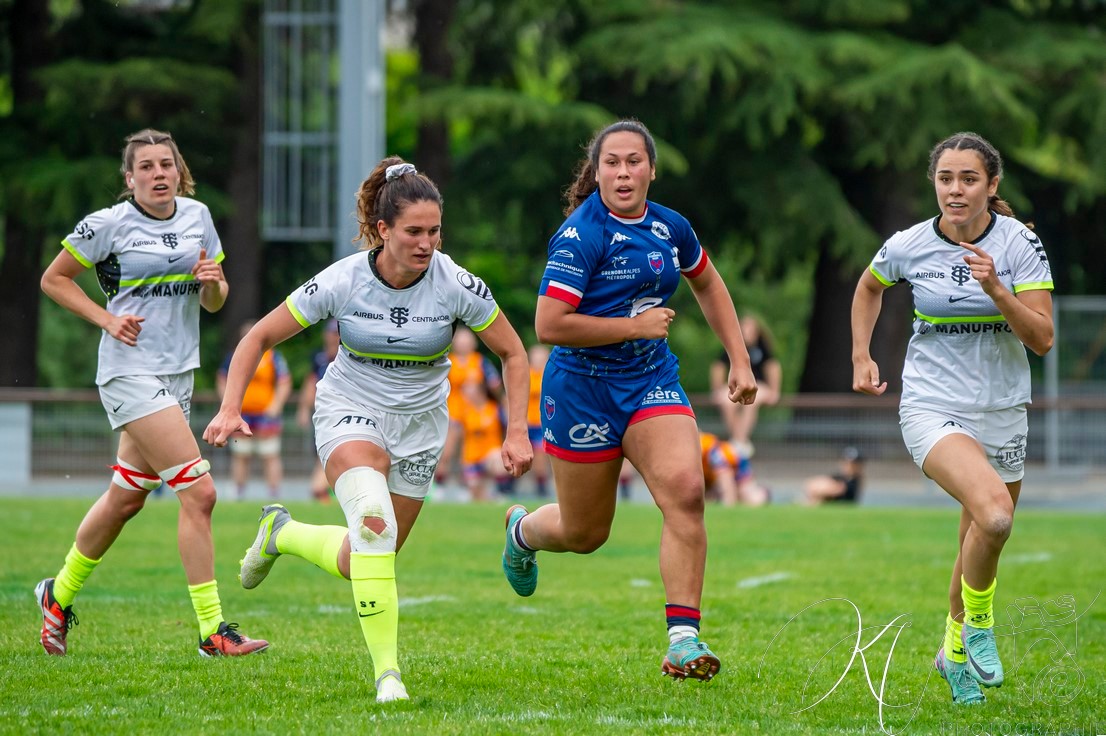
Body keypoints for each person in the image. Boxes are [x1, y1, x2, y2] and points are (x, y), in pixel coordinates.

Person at [203, 156, 532, 703]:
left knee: (364, 557)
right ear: (383, 230)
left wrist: (516, 431)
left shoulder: (457, 283)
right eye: (413, 232)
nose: (427, 243)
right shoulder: (344, 279)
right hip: (349, 408)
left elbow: (514, 353)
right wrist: (229, 407)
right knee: (374, 527)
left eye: (434, 231)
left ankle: (281, 534)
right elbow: (258, 336)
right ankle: (388, 676)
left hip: (421, 427)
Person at [500, 119, 757, 682]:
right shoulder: (580, 235)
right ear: (596, 173)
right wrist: (632, 327)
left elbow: (708, 283)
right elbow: (549, 324)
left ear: (651, 170)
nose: (623, 173)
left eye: (633, 162)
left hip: (649, 380)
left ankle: (683, 640)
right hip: (581, 390)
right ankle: (522, 532)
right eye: (611, 163)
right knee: (584, 534)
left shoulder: (671, 227)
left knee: (687, 492)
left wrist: (739, 358)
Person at [35, 128, 268, 658]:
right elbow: (54, 279)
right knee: (200, 493)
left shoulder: (198, 216)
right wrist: (106, 320)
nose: (158, 174)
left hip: (179, 374)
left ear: (178, 171)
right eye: (146, 166)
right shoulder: (108, 224)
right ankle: (212, 630)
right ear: (130, 177)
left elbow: (214, 300)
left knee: (126, 499)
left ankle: (57, 594)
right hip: (129, 372)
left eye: (166, 164)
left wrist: (213, 283)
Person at [851, 132, 1054, 705]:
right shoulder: (910, 243)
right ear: (934, 184)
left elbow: (1042, 338)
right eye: (946, 179)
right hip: (931, 405)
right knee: (995, 516)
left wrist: (997, 288)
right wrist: (861, 354)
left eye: (969, 179)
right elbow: (868, 287)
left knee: (979, 534)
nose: (956, 190)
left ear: (992, 185)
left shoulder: (1020, 244)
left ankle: (953, 653)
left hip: (1004, 409)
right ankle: (980, 628)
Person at [217, 320, 293, 500]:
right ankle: (239, 493)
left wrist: (276, 405)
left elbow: (284, 381)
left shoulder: (273, 357)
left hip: (266, 414)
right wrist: (227, 404)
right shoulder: (234, 356)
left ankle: (274, 494)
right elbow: (222, 379)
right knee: (241, 454)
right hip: (241, 413)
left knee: (270, 454)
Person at [437, 326, 502, 492]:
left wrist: (497, 400)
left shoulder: (480, 361)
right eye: (460, 341)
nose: (463, 344)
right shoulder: (447, 361)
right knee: (447, 450)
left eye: (467, 341)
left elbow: (494, 383)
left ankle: (472, 485)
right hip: (454, 413)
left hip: (475, 411)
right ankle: (440, 486)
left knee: (473, 449)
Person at [709, 313, 781, 456]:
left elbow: (773, 367)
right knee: (727, 401)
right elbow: (718, 367)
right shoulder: (732, 347)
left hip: (758, 385)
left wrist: (775, 391)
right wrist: (716, 389)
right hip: (738, 385)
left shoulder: (762, 348)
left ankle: (737, 443)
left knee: (752, 402)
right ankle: (740, 442)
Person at [297, 318, 341, 502]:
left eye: (336, 334)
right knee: (323, 454)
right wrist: (303, 409)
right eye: (331, 333)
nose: (333, 337)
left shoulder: (350, 358)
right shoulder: (319, 359)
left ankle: (321, 488)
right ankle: (320, 489)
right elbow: (310, 384)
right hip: (324, 415)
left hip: (343, 413)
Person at [456, 377, 510, 502]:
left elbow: (508, 424)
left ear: (479, 392)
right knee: (476, 494)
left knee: (497, 459)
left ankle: (502, 492)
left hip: (489, 456)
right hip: (471, 458)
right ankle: (488, 495)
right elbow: (460, 438)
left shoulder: (494, 409)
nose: (466, 395)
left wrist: (500, 394)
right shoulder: (465, 412)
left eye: (469, 391)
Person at [700, 432, 769, 507]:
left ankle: (763, 492)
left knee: (754, 499)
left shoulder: (709, 447)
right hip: (712, 481)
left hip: (738, 469)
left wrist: (728, 503)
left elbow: (725, 477)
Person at [525, 344, 551, 497]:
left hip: (542, 423)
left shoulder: (548, 375)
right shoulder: (526, 374)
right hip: (527, 423)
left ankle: (541, 487)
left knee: (540, 456)